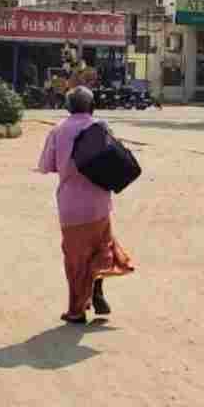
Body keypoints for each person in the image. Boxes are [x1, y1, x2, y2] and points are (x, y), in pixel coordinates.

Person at [37, 86, 134, 324]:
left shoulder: (58, 131)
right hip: (100, 203)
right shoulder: (100, 127)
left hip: (71, 207)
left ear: (68, 107)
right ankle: (97, 290)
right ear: (92, 106)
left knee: (76, 260)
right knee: (101, 248)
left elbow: (45, 166)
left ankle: (77, 311)